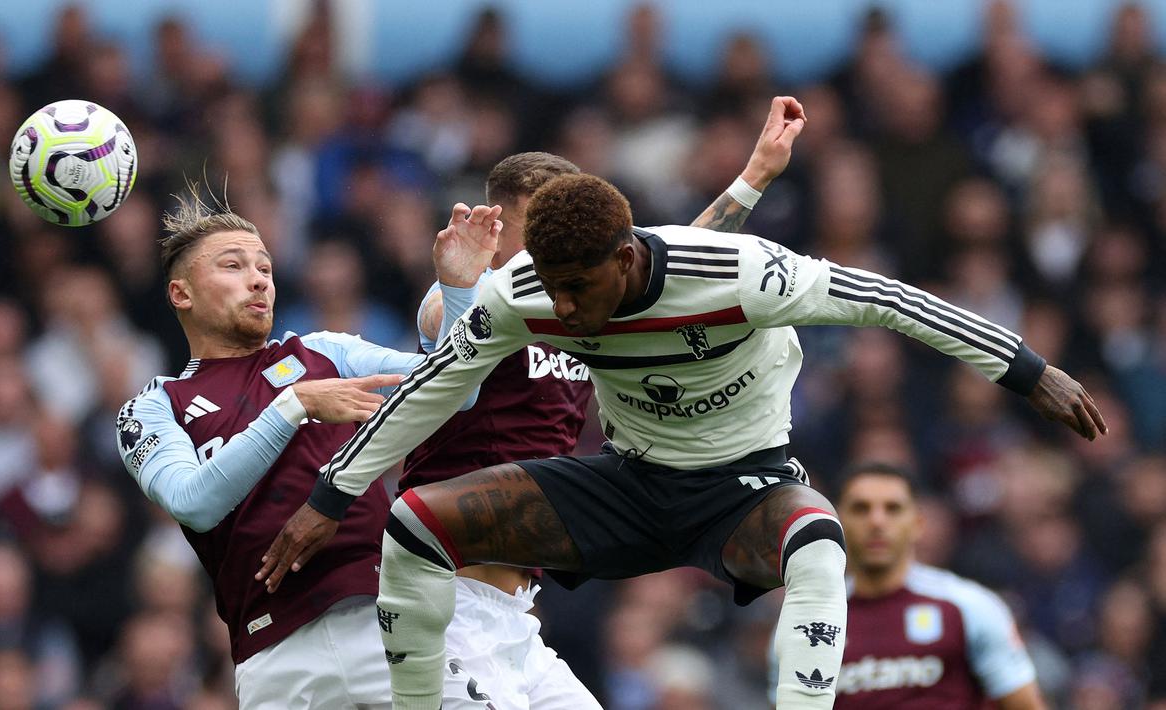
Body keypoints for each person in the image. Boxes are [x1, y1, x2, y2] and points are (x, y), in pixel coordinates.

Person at [310, 157, 1105, 710]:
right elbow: (432, 388)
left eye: (579, 289)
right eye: (551, 289)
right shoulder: (524, 293)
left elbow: (884, 299)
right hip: (628, 482)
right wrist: (329, 493)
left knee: (820, 544)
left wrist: (1027, 370)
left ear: (624, 258)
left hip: (739, 488)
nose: (566, 311)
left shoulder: (742, 275)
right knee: (414, 520)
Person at [260, 97, 811, 708]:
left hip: (519, 613)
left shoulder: (579, 301)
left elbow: (683, 267)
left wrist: (754, 176)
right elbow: (452, 378)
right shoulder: (463, 304)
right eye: (545, 225)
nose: (565, 243)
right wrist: (457, 281)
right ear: (498, 226)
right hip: (453, 597)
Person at [113, 188, 499, 709]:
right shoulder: (153, 407)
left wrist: (459, 289)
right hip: (274, 659)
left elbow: (455, 390)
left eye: (266, 269)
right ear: (181, 294)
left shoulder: (323, 352)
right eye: (233, 266)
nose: (258, 280)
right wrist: (292, 405)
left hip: (385, 625)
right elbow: (193, 503)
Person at [771, 462, 1047, 708]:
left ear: (917, 523)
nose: (877, 522)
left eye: (893, 509)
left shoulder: (970, 606)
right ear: (838, 522)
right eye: (861, 508)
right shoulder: (805, 622)